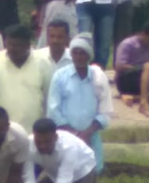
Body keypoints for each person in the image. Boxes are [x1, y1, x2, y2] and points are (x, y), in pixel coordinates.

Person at [47, 34, 113, 175]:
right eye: (75, 53)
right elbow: (53, 110)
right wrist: (73, 134)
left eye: (82, 53)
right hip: (65, 137)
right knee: (65, 175)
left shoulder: (98, 78)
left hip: (91, 137)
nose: (78, 57)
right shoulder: (60, 76)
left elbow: (106, 112)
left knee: (92, 175)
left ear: (89, 56)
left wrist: (87, 133)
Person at [23, 118, 97, 183]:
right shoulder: (27, 145)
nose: (42, 146)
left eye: (47, 142)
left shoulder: (69, 147)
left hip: (82, 170)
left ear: (55, 137)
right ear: (34, 136)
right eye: (38, 142)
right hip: (53, 172)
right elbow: (28, 180)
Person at [0, 25, 51, 133]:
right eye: (9, 44)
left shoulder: (43, 63)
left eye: (17, 45)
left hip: (34, 132)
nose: (11, 49)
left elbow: (48, 98)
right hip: (3, 132)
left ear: (28, 45)